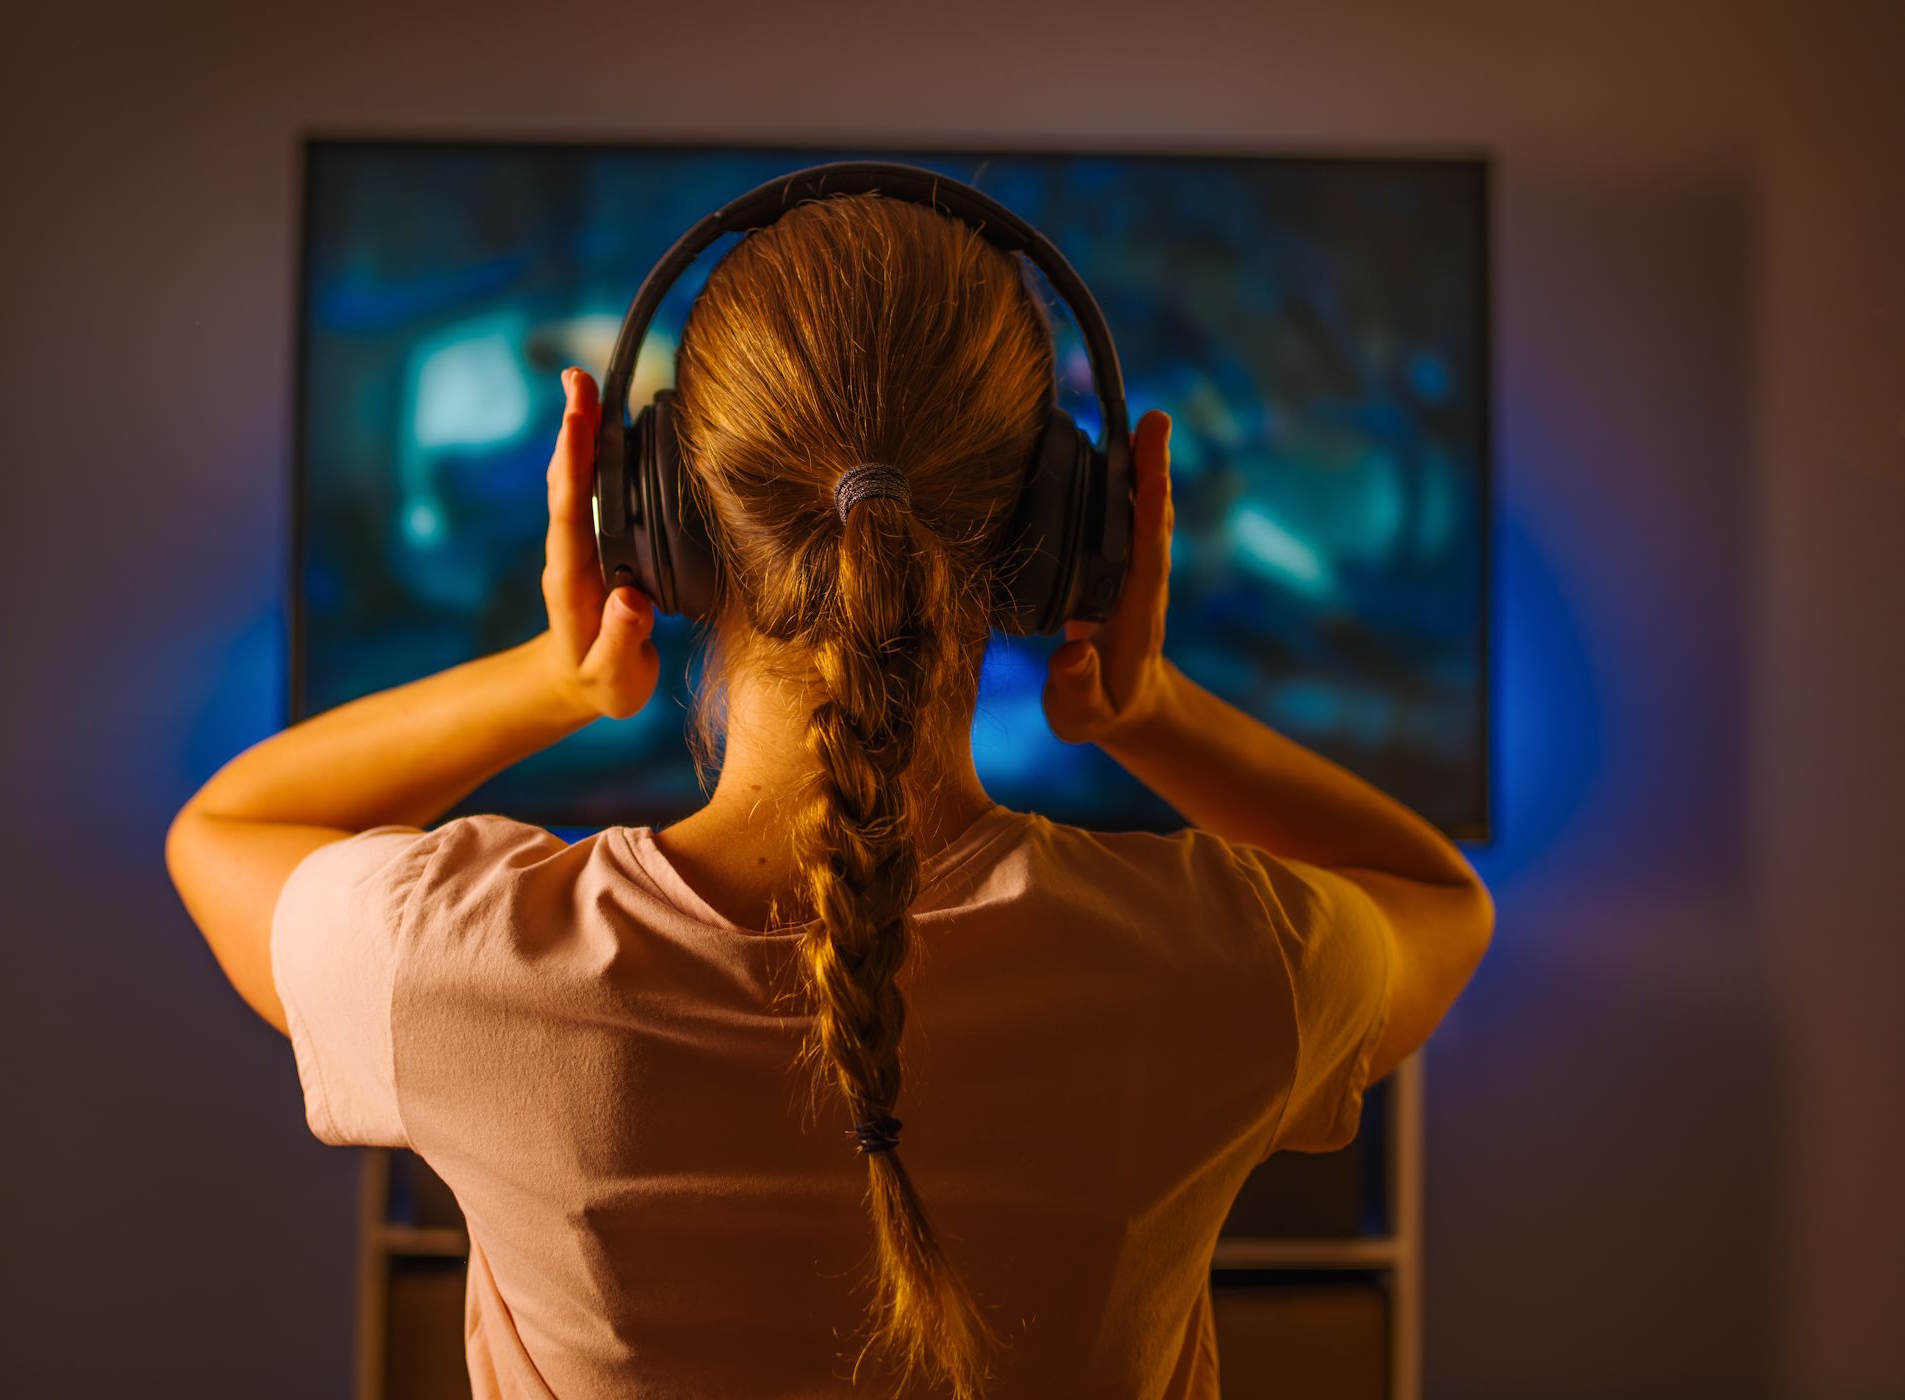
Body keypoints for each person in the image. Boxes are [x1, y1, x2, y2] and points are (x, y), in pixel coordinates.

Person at [166, 191, 1495, 1400]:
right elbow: (1441, 902)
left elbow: (225, 831)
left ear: (650, 515)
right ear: (1069, 536)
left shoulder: (459, 963)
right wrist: (1152, 710)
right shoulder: (1225, 962)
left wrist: (556, 680)